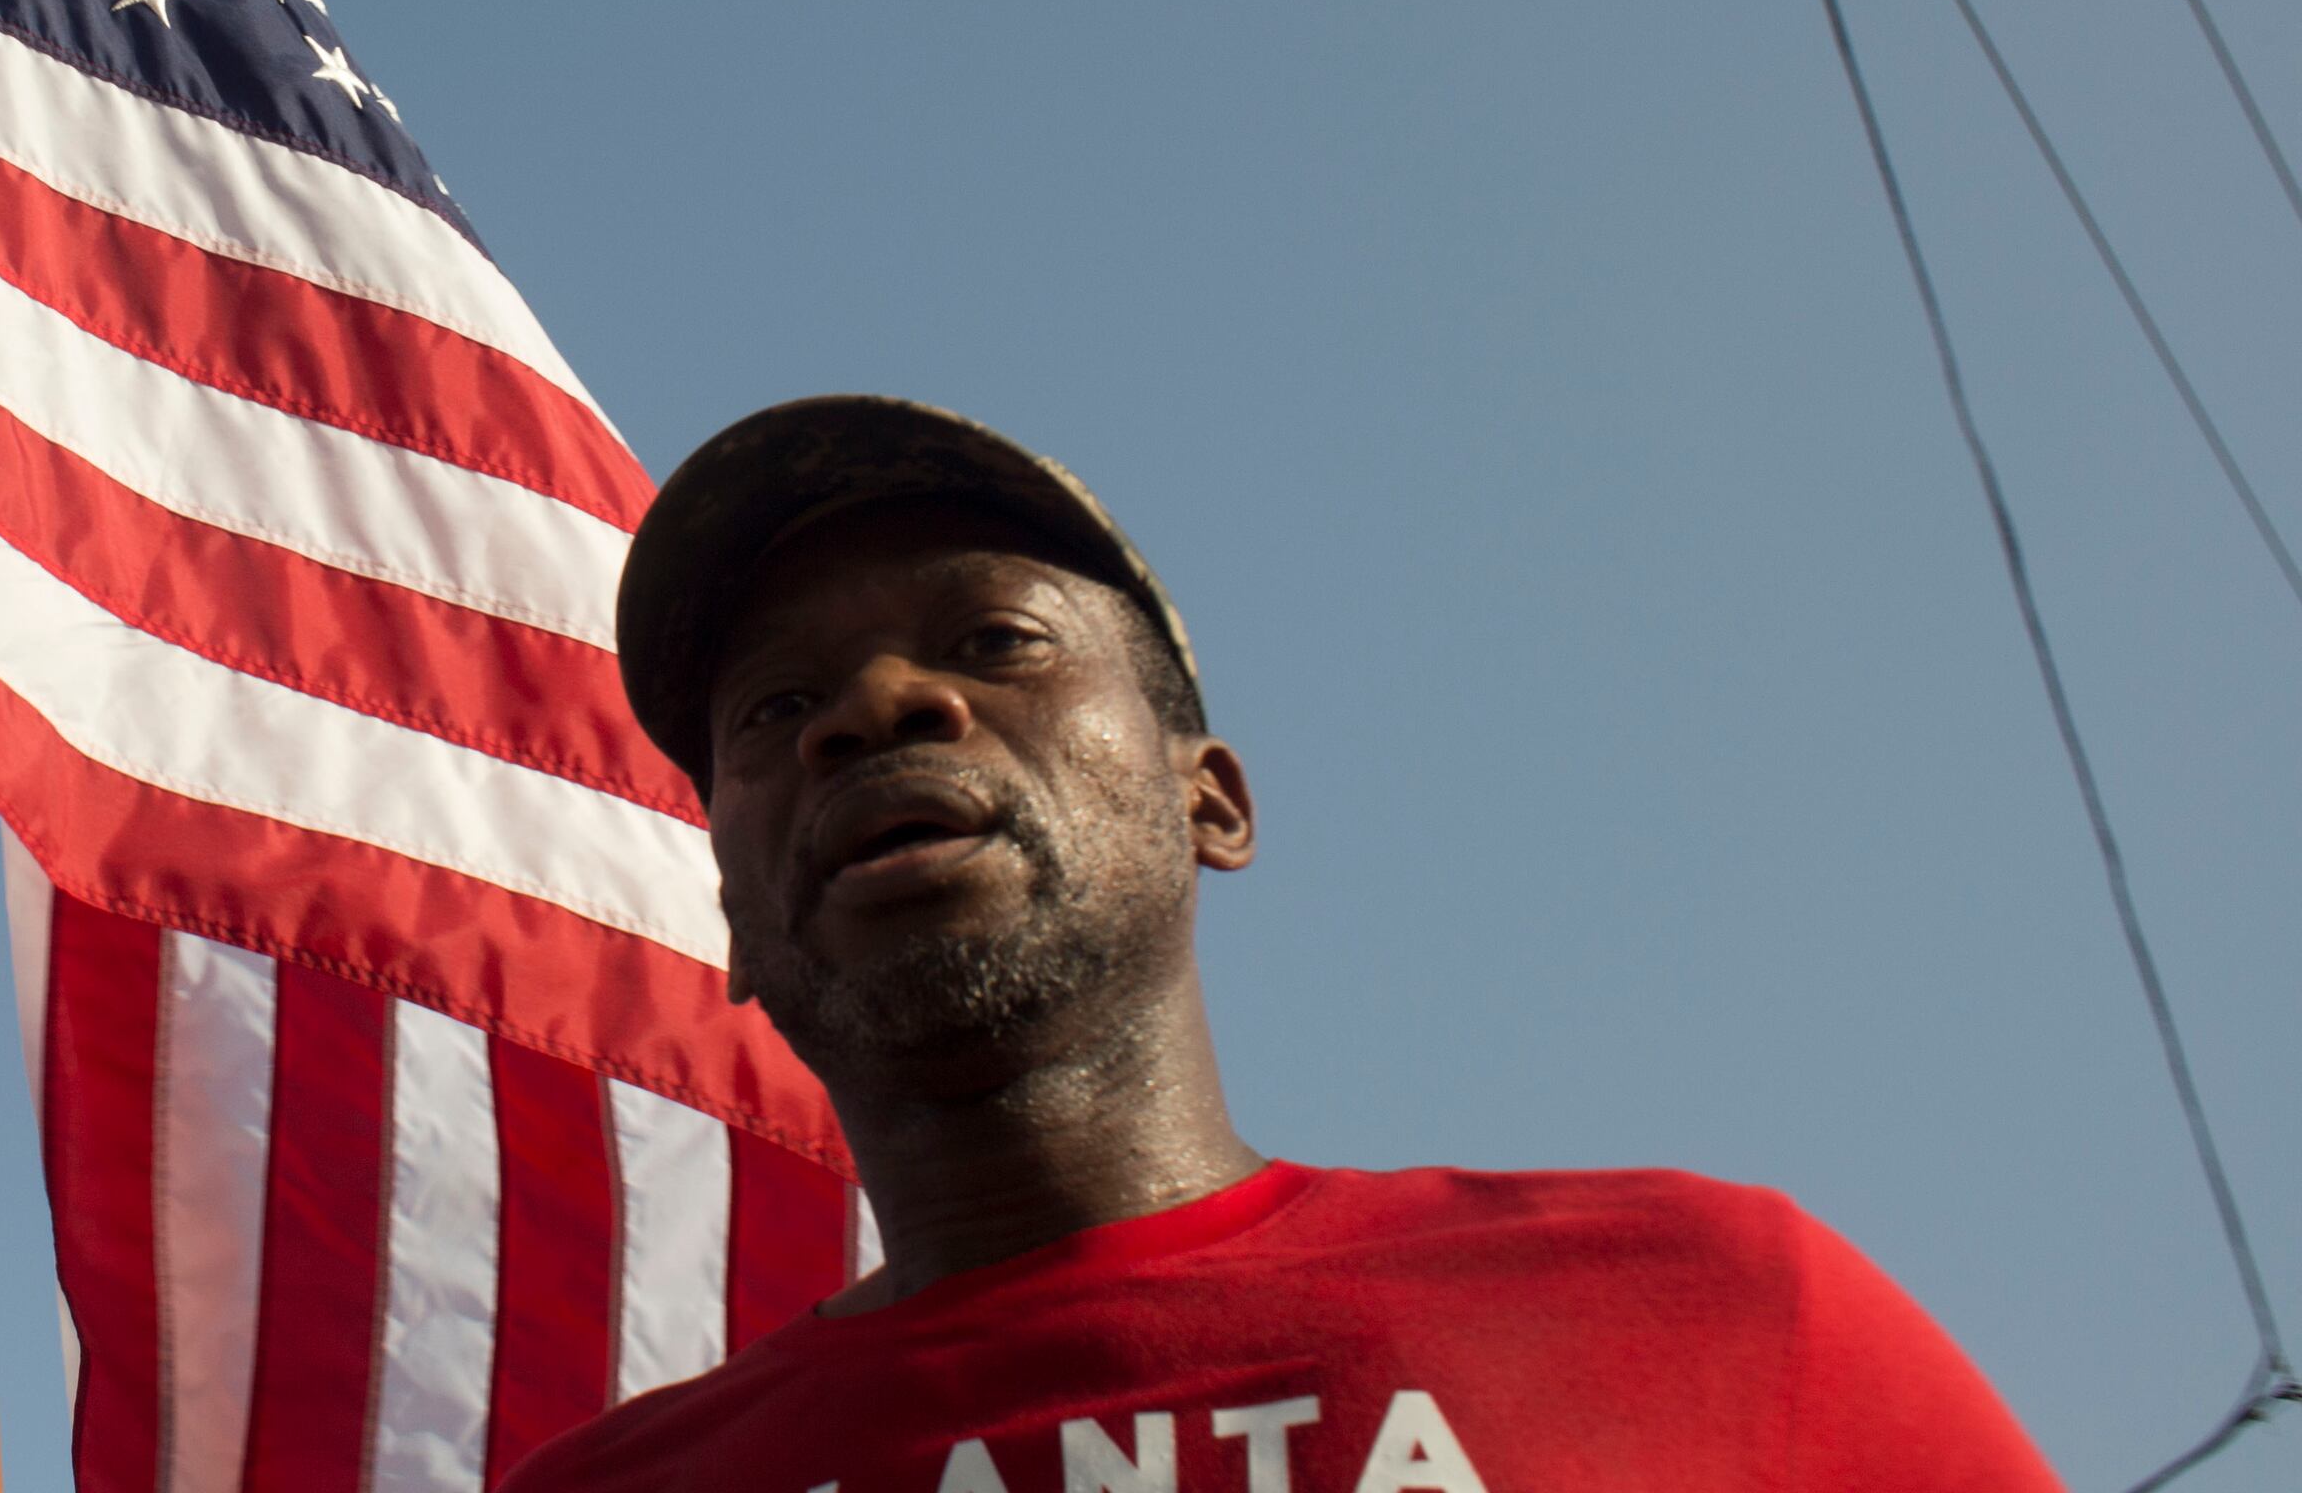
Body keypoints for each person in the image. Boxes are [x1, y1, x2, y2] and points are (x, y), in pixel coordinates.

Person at [504, 395, 2061, 1493]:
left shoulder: (1716, 1310)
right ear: (737, 929)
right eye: (778, 711)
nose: (876, 709)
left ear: (1215, 804)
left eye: (996, 642)